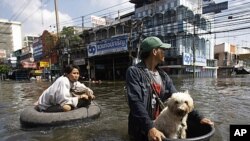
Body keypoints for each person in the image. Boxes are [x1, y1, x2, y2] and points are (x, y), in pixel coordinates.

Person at [125, 36, 214, 141]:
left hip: (161, 127)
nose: (165, 52)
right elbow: (135, 102)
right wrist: (150, 128)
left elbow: (179, 99)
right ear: (154, 51)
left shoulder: (163, 76)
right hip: (142, 130)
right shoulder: (134, 72)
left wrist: (200, 117)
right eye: (162, 49)